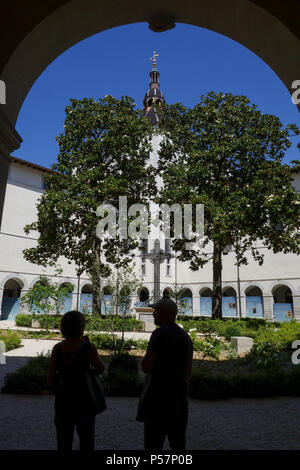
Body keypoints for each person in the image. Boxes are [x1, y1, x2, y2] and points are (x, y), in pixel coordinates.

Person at [136, 296, 193, 450]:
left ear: (166, 313)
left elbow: (146, 366)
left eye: (156, 310)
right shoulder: (185, 336)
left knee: (153, 444)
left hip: (158, 398)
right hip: (179, 398)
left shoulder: (159, 335)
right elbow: (188, 370)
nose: (153, 314)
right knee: (178, 444)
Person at [47, 310, 105, 451]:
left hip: (63, 401)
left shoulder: (58, 348)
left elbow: (50, 379)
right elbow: (101, 368)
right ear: (81, 327)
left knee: (63, 443)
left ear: (63, 328)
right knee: (87, 441)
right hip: (85, 401)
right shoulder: (88, 347)